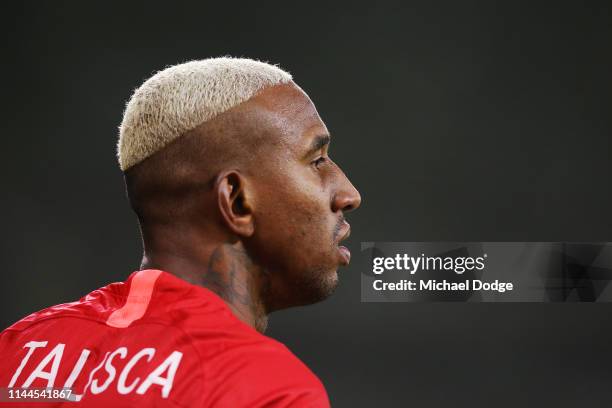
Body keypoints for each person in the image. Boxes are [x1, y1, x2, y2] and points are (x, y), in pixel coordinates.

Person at [0, 57, 361, 407]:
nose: (348, 195)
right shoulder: (264, 389)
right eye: (317, 161)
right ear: (236, 201)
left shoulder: (17, 351)